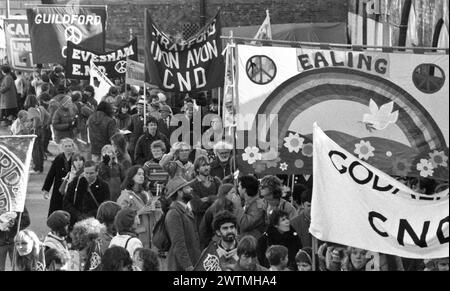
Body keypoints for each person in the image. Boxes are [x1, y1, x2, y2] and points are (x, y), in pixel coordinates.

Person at [117, 166, 163, 249]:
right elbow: (121, 217)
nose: (142, 176)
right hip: (136, 236)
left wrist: (158, 208)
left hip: (151, 236)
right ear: (132, 176)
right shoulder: (125, 195)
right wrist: (139, 212)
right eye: (139, 174)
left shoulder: (146, 193)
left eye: (143, 174)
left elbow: (156, 216)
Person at [165, 176, 201, 271]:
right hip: (180, 268)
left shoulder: (185, 210)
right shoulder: (174, 213)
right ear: (180, 193)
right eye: (187, 188)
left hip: (193, 263)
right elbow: (179, 244)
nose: (191, 189)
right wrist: (188, 267)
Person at [63, 161, 111, 228]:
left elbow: (105, 205)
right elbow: (66, 202)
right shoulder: (75, 183)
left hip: (95, 223)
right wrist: (77, 215)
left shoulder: (104, 186)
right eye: (86, 173)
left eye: (91, 173)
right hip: (76, 222)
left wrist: (90, 215)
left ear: (97, 172)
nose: (88, 176)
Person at [43, 138, 76, 217]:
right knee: (57, 207)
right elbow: (51, 174)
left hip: (72, 187)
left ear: (73, 147)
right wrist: (46, 189)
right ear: (62, 147)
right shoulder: (58, 158)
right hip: (58, 187)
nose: (68, 148)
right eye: (66, 146)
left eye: (70, 146)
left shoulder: (76, 158)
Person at [190, 155, 222, 231]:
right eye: (203, 165)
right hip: (201, 224)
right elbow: (197, 207)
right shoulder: (192, 185)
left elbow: (222, 201)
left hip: (216, 221)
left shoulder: (216, 181)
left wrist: (207, 199)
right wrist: (214, 199)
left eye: (208, 165)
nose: (207, 167)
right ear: (197, 169)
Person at [199, 184, 236, 249]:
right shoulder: (217, 207)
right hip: (210, 241)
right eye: (232, 193)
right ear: (225, 195)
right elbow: (217, 228)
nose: (235, 195)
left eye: (235, 193)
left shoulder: (229, 205)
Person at [234, 175, 267, 240]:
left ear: (244, 190)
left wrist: (238, 206)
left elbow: (245, 224)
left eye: (239, 186)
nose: (237, 189)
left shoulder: (258, 205)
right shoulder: (248, 202)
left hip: (253, 243)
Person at [25, 94, 50, 173]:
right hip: (42, 130)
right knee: (40, 149)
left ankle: (36, 168)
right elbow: (48, 116)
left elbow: (36, 118)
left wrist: (34, 127)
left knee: (35, 150)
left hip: (35, 131)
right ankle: (40, 167)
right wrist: (44, 124)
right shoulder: (41, 108)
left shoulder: (31, 109)